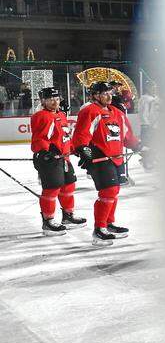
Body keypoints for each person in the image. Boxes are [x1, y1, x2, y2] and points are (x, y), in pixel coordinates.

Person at [72, 81, 143, 246]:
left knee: (114, 192)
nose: (109, 96)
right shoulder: (90, 111)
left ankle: (108, 224)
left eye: (110, 92)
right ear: (95, 95)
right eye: (105, 93)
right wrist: (83, 148)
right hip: (100, 157)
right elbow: (82, 133)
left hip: (116, 157)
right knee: (108, 191)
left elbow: (126, 136)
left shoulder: (117, 113)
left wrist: (138, 145)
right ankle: (99, 229)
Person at [29, 87, 86, 235]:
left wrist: (74, 148)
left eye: (57, 98)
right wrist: (45, 152)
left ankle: (68, 216)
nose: (55, 101)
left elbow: (64, 136)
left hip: (63, 157)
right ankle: (48, 221)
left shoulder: (61, 114)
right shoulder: (41, 116)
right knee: (52, 189)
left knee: (69, 186)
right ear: (43, 101)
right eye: (50, 99)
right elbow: (39, 138)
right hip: (50, 158)